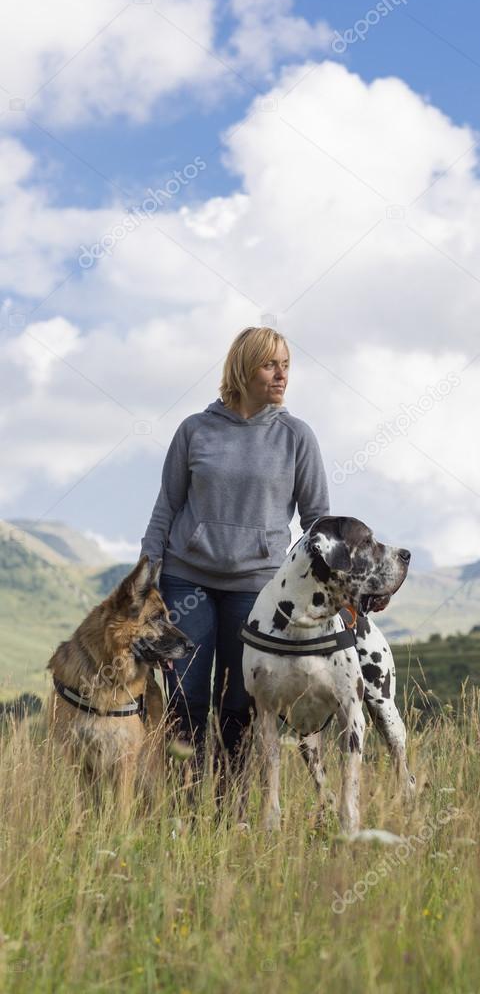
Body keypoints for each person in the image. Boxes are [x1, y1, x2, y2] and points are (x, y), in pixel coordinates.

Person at [139, 326, 330, 796]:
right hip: (187, 580)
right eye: (270, 364)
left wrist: (333, 588)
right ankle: (184, 806)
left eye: (286, 364)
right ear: (243, 368)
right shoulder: (195, 430)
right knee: (187, 698)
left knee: (239, 703)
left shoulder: (296, 437)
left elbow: (318, 522)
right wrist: (146, 578)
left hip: (257, 588)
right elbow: (167, 505)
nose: (281, 374)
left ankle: (232, 809)